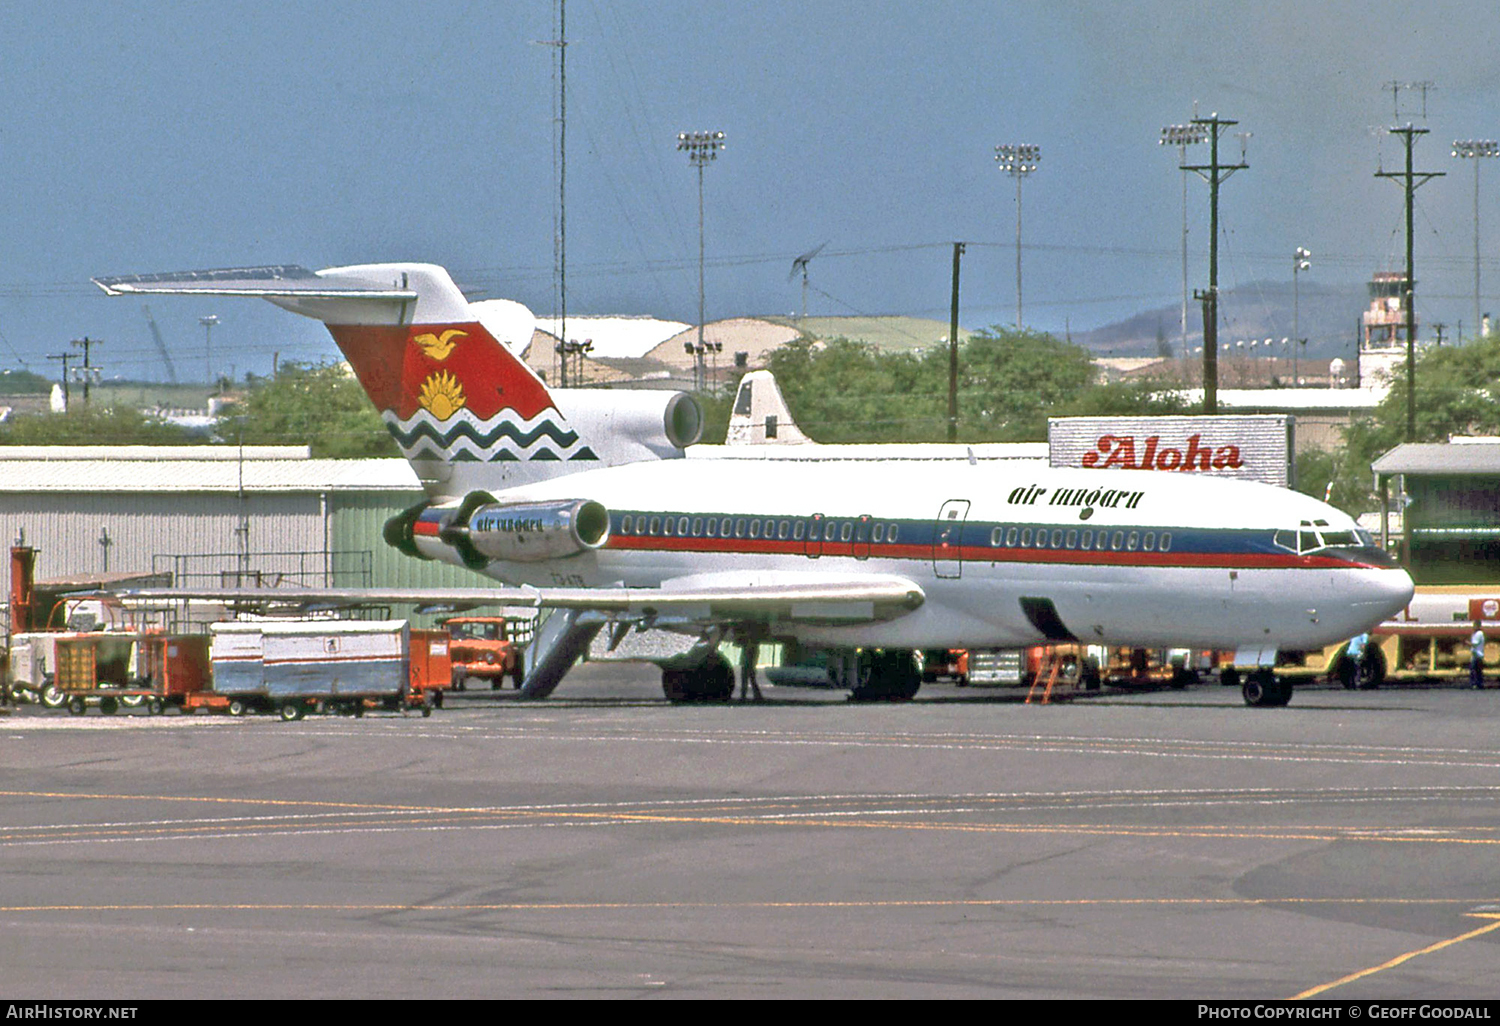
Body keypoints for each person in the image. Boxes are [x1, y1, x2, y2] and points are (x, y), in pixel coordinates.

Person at [1469, 621, 1487, 690]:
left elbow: (1475, 644)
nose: (1473, 627)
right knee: (1477, 670)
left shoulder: (1479, 634)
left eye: (1475, 625)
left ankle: (1475, 684)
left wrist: (1467, 643)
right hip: (1476, 654)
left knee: (1474, 670)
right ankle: (1479, 684)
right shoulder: (1476, 634)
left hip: (1477, 654)